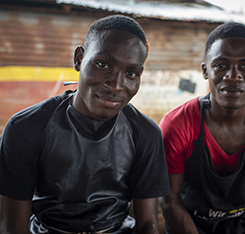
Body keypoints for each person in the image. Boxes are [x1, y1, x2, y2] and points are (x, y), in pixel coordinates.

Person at [0, 15, 170, 234]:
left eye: (131, 73)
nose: (116, 85)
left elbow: (148, 224)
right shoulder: (26, 128)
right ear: (79, 58)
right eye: (103, 64)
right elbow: (13, 227)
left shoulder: (145, 133)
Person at [159, 22, 245, 234]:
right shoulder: (178, 124)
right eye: (221, 65)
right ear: (205, 70)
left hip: (242, 223)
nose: (233, 76)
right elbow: (169, 200)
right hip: (188, 223)